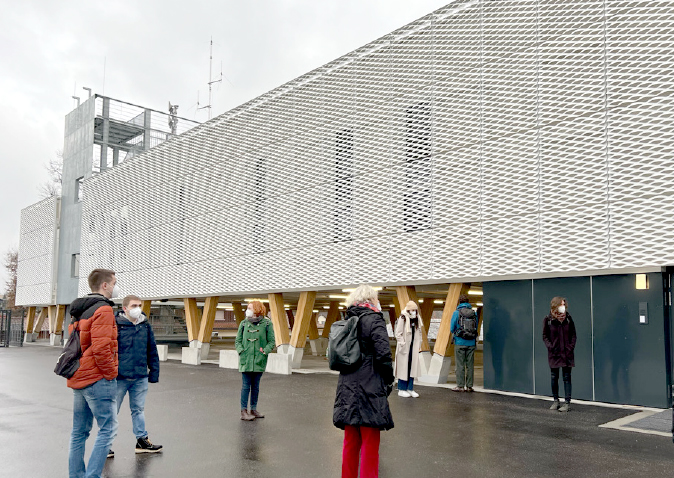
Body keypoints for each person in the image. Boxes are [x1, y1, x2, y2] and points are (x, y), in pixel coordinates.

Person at [333, 284, 394, 478]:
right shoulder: (375, 320)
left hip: (347, 385)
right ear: (371, 300)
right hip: (371, 384)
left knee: (350, 440)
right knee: (370, 441)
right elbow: (383, 354)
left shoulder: (347, 319)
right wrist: (389, 380)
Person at [67, 268, 119, 478]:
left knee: (79, 433)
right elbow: (100, 348)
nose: (116, 287)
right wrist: (111, 373)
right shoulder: (104, 310)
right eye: (114, 283)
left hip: (78, 376)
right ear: (104, 285)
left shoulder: (79, 309)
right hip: (97, 379)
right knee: (107, 429)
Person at [109, 295, 162, 456]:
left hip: (140, 376)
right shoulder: (116, 324)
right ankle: (105, 445)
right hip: (119, 377)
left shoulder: (144, 325)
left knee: (138, 409)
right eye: (134, 305)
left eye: (139, 305)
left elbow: (151, 349)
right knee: (112, 410)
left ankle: (142, 441)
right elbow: (108, 350)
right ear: (125, 308)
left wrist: (154, 372)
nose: (137, 308)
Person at [235, 300, 275, 421]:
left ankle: (253, 409)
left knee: (256, 386)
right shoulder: (243, 324)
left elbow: (271, 341)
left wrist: (265, 351)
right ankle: (243, 411)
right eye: (248, 307)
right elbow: (237, 341)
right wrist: (242, 351)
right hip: (246, 359)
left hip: (259, 359)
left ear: (257, 310)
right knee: (246, 385)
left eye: (250, 308)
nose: (248, 310)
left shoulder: (267, 324)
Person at [542, 296, 577, 412]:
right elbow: (545, 336)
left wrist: (570, 347)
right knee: (554, 377)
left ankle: (567, 403)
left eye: (564, 305)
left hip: (567, 353)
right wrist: (550, 347)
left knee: (567, 378)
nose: (563, 307)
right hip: (555, 353)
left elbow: (573, 335)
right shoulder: (548, 319)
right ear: (555, 305)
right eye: (561, 305)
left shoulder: (568, 318)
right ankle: (555, 401)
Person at [451, 294, 479, 392]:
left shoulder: (456, 313)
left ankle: (460, 386)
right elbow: (476, 326)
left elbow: (451, 328)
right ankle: (470, 386)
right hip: (471, 342)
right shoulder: (474, 313)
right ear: (468, 302)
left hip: (459, 342)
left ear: (460, 302)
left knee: (460, 365)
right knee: (470, 365)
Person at [394, 300, 423, 398]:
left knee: (412, 368)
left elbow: (419, 332)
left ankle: (410, 388)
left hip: (413, 347)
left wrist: (420, 343)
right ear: (408, 310)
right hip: (404, 348)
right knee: (404, 368)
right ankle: (401, 389)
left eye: (415, 310)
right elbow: (398, 333)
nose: (414, 312)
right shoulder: (403, 318)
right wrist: (402, 343)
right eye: (412, 310)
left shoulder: (417, 318)